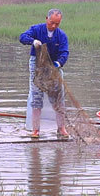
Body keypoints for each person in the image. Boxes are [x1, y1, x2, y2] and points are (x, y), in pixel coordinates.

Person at [19, 8, 69, 138]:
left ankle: (61, 128)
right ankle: (36, 130)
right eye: (51, 22)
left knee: (58, 98)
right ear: (46, 19)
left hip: (54, 67)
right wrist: (32, 41)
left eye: (57, 24)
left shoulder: (61, 36)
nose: (53, 26)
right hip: (37, 67)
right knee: (36, 98)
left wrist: (58, 63)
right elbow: (22, 37)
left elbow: (64, 52)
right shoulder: (37, 29)